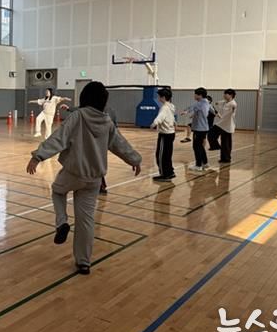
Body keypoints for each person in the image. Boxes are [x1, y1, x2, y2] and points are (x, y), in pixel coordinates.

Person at [26, 81, 142, 275]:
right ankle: (84, 262)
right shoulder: (106, 121)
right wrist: (134, 159)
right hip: (94, 179)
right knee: (86, 221)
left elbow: (59, 138)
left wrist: (38, 156)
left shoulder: (78, 116)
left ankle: (62, 222)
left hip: (73, 172)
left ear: (84, 98)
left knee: (57, 191)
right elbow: (119, 143)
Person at [59, 102, 114, 194]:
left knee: (93, 164)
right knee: (91, 164)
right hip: (93, 142)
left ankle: (100, 186)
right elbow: (81, 109)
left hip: (95, 142)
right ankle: (95, 186)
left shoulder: (104, 112)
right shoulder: (101, 110)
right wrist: (69, 108)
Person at [181, 87, 210, 172]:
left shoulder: (200, 103)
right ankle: (205, 162)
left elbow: (192, 107)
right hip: (204, 127)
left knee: (196, 146)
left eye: (195, 94)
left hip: (199, 128)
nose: (194, 96)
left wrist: (186, 111)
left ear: (200, 95)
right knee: (200, 146)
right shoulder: (206, 102)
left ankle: (198, 165)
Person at [150, 88, 176, 182]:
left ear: (163, 97)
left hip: (165, 135)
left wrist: (153, 124)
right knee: (167, 155)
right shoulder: (171, 106)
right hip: (171, 133)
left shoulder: (164, 107)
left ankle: (164, 175)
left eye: (159, 96)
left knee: (160, 156)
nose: (158, 98)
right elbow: (171, 117)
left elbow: (160, 117)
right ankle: (170, 172)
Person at [208, 89, 237, 163]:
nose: (224, 95)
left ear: (230, 95)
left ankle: (225, 158)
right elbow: (219, 102)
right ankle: (219, 151)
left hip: (227, 125)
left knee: (225, 142)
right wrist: (216, 103)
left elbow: (234, 107)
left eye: (225, 94)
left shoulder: (233, 103)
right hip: (222, 123)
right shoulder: (225, 102)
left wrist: (233, 108)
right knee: (214, 135)